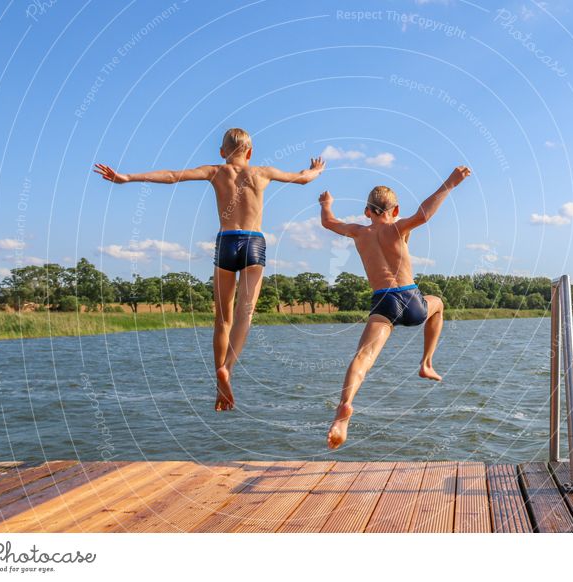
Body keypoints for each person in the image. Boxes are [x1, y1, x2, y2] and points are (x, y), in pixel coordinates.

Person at [94, 128, 326, 411]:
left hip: (226, 241)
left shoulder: (216, 171)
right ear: (250, 153)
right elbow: (302, 179)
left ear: (222, 152)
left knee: (222, 319)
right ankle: (228, 368)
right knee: (246, 313)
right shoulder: (263, 173)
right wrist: (315, 170)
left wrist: (127, 177)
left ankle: (219, 377)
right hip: (253, 242)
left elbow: (172, 176)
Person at [319, 166, 472, 449]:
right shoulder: (398, 227)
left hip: (384, 302)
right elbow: (424, 215)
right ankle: (426, 363)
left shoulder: (358, 232)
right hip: (411, 300)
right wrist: (450, 183)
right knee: (438, 304)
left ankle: (344, 407)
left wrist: (325, 204)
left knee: (363, 356)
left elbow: (328, 222)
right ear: (395, 209)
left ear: (367, 212)